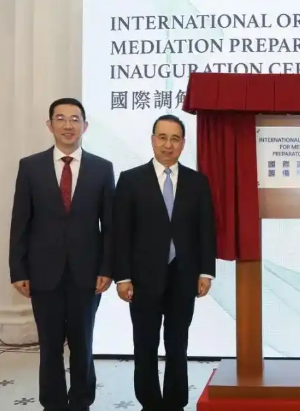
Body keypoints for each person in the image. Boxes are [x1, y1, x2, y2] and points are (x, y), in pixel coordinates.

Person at [9, 97, 115, 411]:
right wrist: (18, 269)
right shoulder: (30, 167)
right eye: (60, 118)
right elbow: (20, 221)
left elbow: (110, 226)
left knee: (83, 344)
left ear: (85, 125)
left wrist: (107, 268)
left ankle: (82, 402)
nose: (68, 125)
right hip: (43, 272)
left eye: (74, 119)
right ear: (50, 125)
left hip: (87, 273)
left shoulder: (102, 168)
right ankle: (53, 403)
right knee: (50, 345)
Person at [112, 114, 216, 411]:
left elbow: (205, 230)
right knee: (145, 344)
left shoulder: (197, 182)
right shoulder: (131, 180)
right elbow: (121, 232)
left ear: (183, 143)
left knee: (177, 343)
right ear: (152, 140)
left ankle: (175, 402)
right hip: (142, 279)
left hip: (184, 277)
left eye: (175, 139)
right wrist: (123, 277)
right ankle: (149, 402)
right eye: (162, 137)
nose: (168, 145)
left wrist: (206, 272)